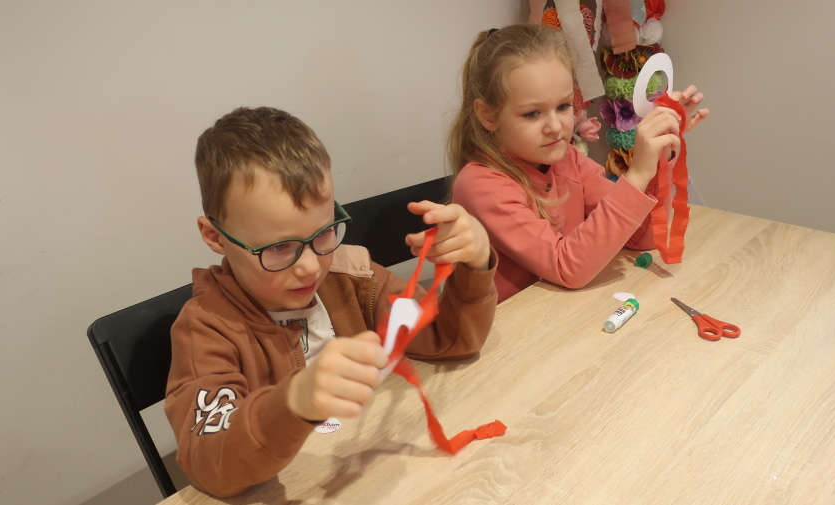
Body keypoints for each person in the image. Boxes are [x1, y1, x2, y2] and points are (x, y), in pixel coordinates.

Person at [164, 106, 498, 497]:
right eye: (279, 247)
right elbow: (211, 463)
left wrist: (475, 263)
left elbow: (450, 340)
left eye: (323, 233)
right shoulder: (206, 329)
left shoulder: (352, 277)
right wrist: (293, 402)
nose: (310, 266)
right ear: (215, 237)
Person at [448, 24, 708, 302]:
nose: (555, 127)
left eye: (563, 106)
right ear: (488, 116)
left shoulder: (567, 158)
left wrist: (659, 157)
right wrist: (638, 174)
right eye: (532, 113)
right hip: (508, 327)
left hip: (561, 313)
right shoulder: (481, 185)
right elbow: (568, 268)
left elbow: (642, 238)